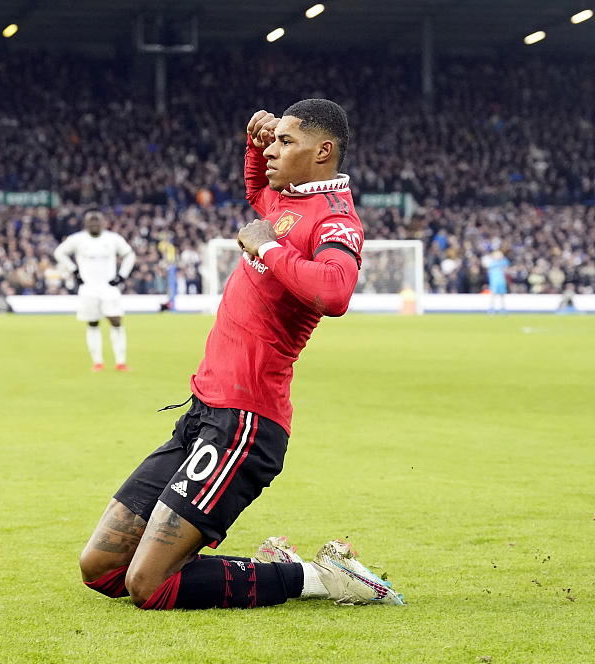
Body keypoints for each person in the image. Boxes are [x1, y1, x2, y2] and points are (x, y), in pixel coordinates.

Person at [78, 99, 404, 610]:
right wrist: (255, 150)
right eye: (274, 141)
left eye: (285, 142)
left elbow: (336, 292)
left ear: (323, 152)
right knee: (100, 568)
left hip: (245, 422)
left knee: (148, 586)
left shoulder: (335, 219)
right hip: (203, 411)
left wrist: (268, 249)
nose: (274, 150)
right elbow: (259, 192)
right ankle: (278, 569)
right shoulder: (288, 202)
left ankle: (319, 578)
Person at [54, 210, 136, 372]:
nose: (94, 224)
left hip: (109, 288)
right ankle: (97, 362)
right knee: (92, 323)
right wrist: (74, 270)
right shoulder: (77, 239)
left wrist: (122, 276)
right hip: (88, 289)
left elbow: (129, 255)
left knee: (116, 321)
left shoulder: (113, 239)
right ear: (85, 224)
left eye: (97, 221)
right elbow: (59, 252)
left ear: (103, 222)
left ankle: (120, 361)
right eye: (91, 222)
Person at [483, 250, 509, 316]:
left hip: (501, 281)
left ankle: (502, 308)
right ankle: (492, 308)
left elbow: (507, 263)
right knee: (493, 295)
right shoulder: (492, 263)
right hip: (494, 282)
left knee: (501, 295)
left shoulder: (502, 262)